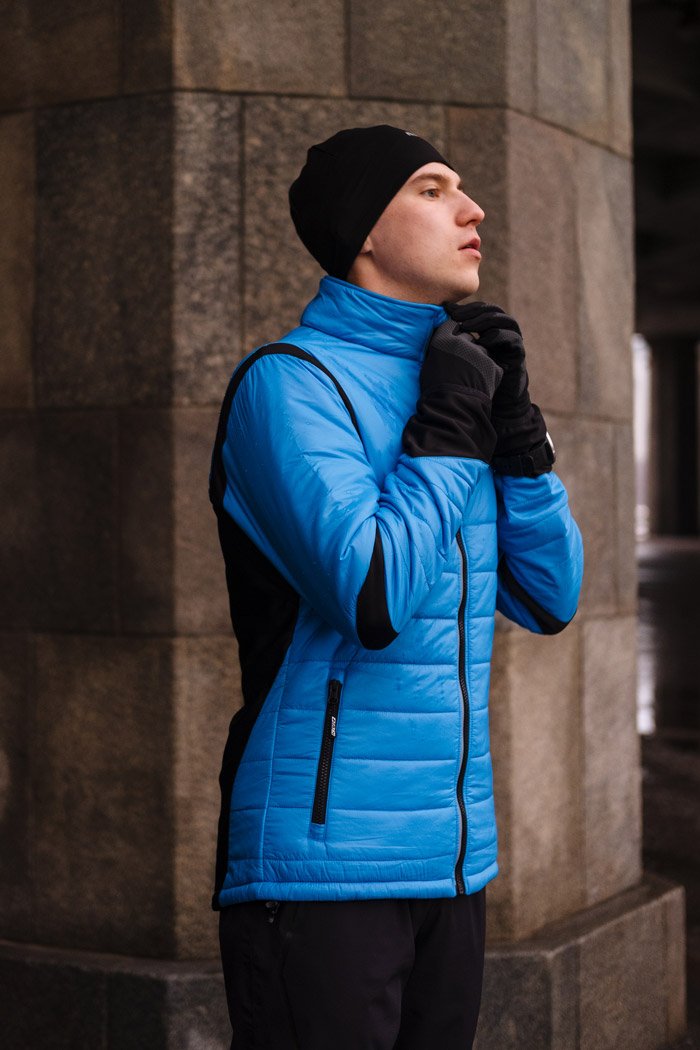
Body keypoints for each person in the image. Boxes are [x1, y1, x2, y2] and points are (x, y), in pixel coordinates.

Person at [209, 124, 584, 1050]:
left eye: (462, 188)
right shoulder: (288, 385)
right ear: (364, 230)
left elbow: (552, 596)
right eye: (431, 188)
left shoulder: (454, 383)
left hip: (452, 860)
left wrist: (519, 435)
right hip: (323, 867)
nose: (472, 209)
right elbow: (372, 596)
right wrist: (451, 425)